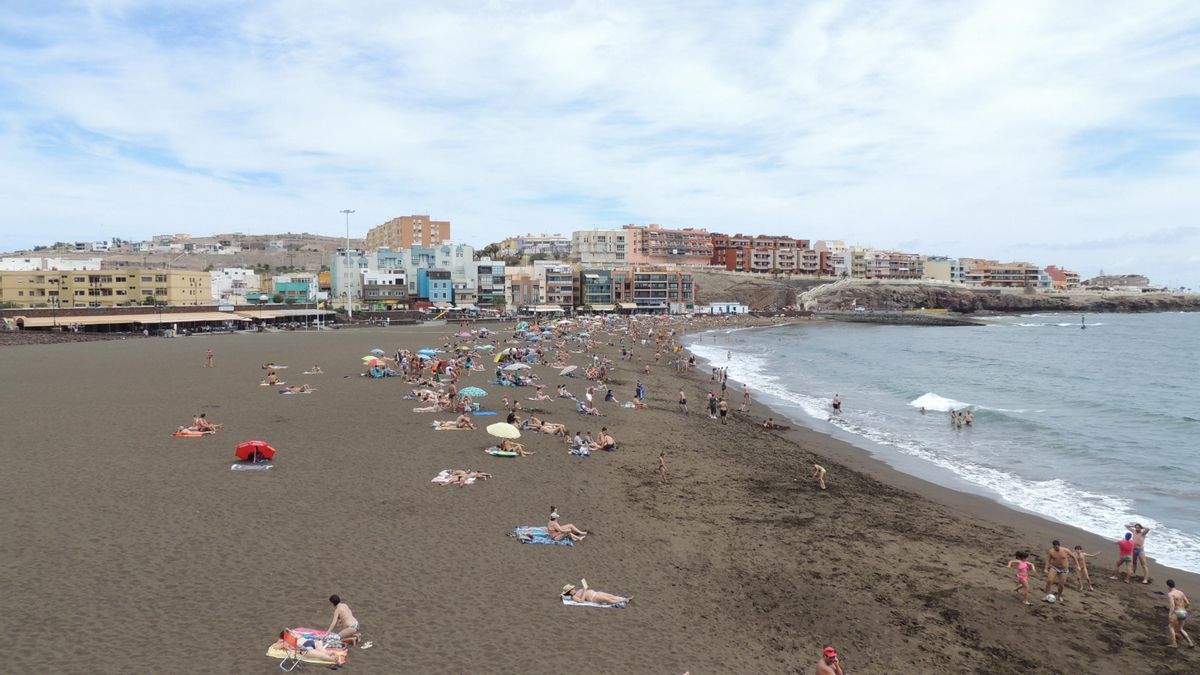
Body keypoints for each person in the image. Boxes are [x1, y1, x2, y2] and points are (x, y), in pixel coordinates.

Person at [1166, 579, 1194, 648]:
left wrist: (1170, 614)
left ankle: (1174, 644)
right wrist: (1183, 609)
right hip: (1183, 611)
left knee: (1170, 627)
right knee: (1180, 629)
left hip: (1177, 611)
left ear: (1168, 586)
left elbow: (1172, 605)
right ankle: (1190, 643)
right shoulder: (1181, 592)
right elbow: (1187, 603)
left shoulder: (1171, 594)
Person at [561, 579, 630, 606]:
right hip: (593, 597)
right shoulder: (574, 597)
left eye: (573, 588)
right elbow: (581, 601)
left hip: (596, 593)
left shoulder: (577, 592)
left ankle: (624, 599)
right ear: (570, 592)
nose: (574, 589)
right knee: (607, 599)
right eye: (572, 589)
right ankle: (622, 601)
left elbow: (584, 591)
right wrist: (584, 590)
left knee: (611, 596)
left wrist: (585, 587)